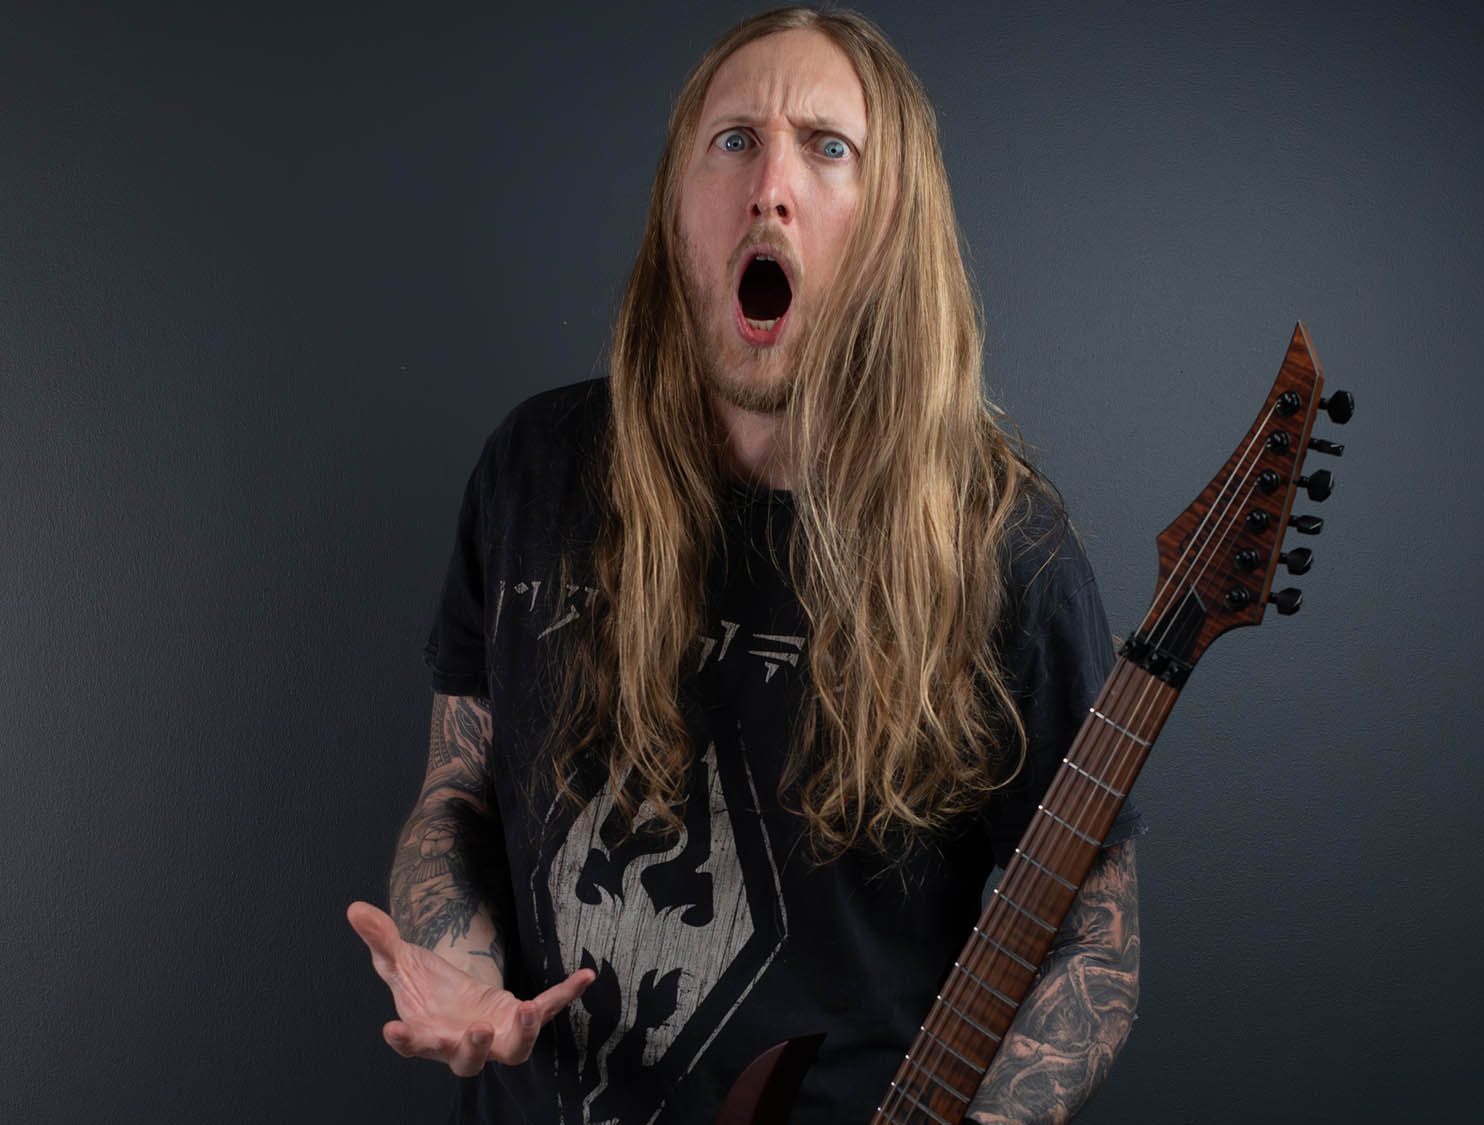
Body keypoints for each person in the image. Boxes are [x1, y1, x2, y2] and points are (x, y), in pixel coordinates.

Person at [346, 8, 1142, 1122]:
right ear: (678, 206)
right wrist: (463, 965)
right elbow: (457, 790)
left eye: (828, 147)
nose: (770, 187)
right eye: (734, 141)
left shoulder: (1005, 551)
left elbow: (1093, 932)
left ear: (891, 222)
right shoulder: (534, 469)